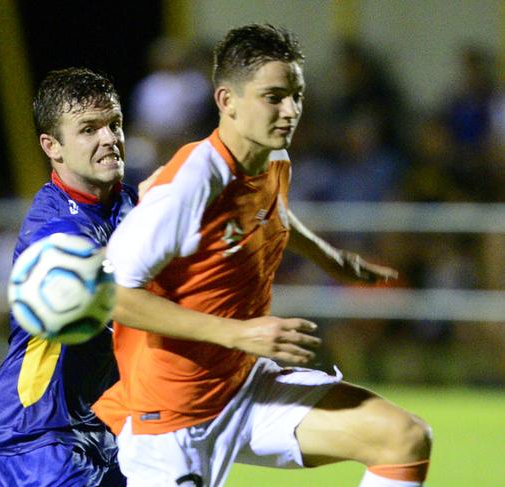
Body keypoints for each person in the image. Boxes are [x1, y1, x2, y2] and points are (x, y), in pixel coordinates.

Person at [93, 24, 432, 487]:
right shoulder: (193, 182)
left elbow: (272, 216)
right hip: (171, 417)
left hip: (246, 388)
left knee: (403, 438)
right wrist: (239, 334)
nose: (290, 110)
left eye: (296, 95)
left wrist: (331, 257)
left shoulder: (273, 161)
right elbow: (111, 295)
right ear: (226, 101)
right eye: (273, 97)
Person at [0, 67, 136, 486]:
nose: (109, 139)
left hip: (101, 427)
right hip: (36, 436)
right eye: (88, 129)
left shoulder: (130, 204)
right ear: (53, 146)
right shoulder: (55, 233)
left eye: (114, 124)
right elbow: (122, 303)